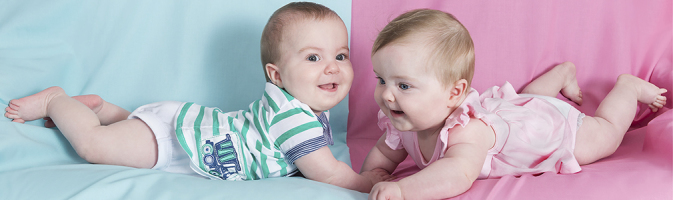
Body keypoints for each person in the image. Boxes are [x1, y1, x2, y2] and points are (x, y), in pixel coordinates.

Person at [4, 2, 392, 193]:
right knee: (94, 146)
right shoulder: (293, 119)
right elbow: (326, 172)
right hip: (177, 143)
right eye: (313, 57)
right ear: (276, 75)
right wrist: (364, 182)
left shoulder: (297, 106)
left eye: (341, 55)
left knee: (129, 133)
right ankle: (58, 100)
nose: (333, 67)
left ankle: (103, 109)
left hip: (190, 131)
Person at [360, 9, 668, 199]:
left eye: (403, 85)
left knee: (606, 135)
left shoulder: (467, 133)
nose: (387, 95)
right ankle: (562, 74)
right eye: (381, 80)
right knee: (528, 100)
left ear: (454, 94)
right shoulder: (404, 120)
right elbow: (383, 155)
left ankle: (627, 88)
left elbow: (457, 173)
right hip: (515, 114)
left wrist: (402, 190)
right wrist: (369, 177)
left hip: (547, 130)